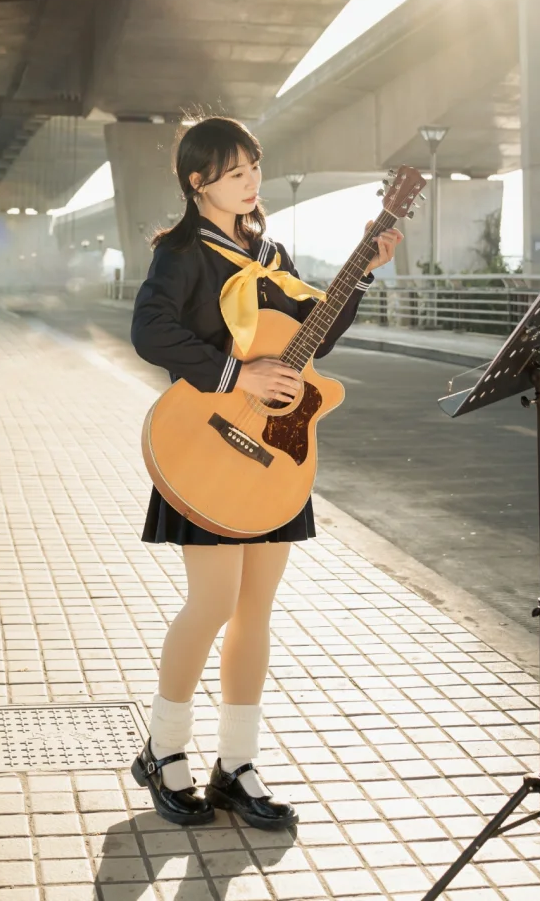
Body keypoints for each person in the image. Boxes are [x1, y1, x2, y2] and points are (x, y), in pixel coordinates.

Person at [129, 116, 401, 829]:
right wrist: (237, 375)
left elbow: (311, 343)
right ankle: (163, 750)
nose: (251, 179)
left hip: (274, 460)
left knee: (255, 612)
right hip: (208, 449)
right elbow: (150, 329)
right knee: (212, 604)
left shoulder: (270, 252)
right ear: (198, 183)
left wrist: (362, 275)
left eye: (254, 166)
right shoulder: (184, 253)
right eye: (235, 170)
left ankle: (236, 764)